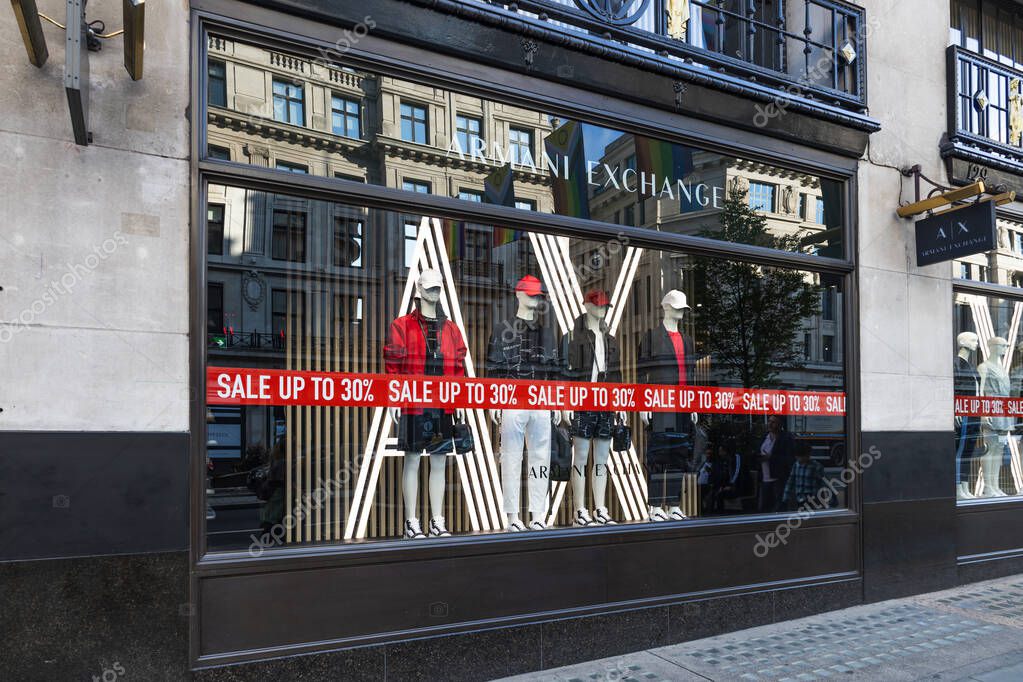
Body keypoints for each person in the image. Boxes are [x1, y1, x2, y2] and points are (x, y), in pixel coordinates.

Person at [757, 415, 795, 512]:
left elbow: (789, 458)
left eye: (773, 422)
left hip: (778, 477)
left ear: (780, 424)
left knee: (778, 505)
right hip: (764, 477)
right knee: (764, 507)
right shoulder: (764, 437)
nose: (770, 424)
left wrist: (771, 458)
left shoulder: (786, 438)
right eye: (769, 421)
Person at [781, 442, 825, 510]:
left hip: (811, 499)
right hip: (799, 499)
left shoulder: (816, 466)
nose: (799, 459)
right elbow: (790, 481)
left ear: (807, 455)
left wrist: (820, 500)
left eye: (801, 456)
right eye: (797, 456)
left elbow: (822, 484)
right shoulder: (796, 465)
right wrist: (785, 497)